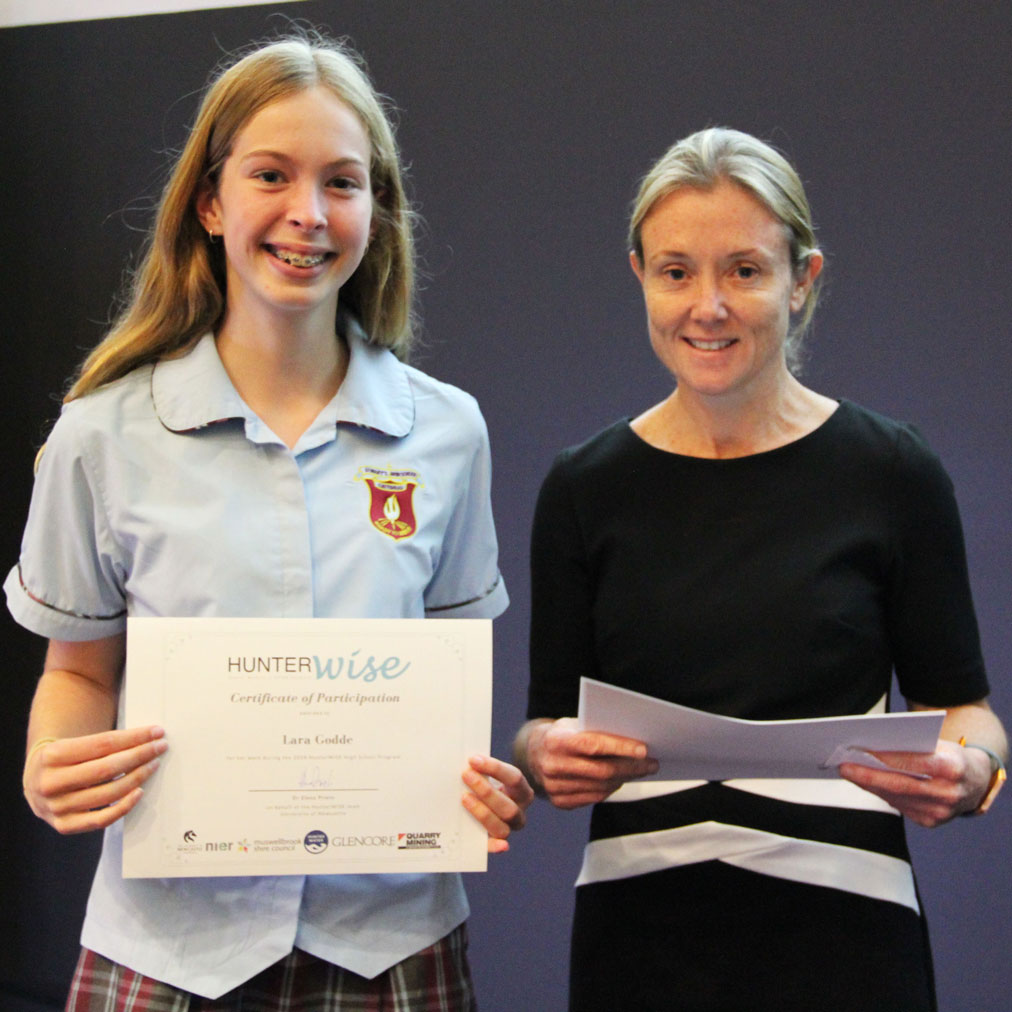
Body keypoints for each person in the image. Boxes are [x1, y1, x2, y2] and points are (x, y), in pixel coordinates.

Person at [7, 32, 533, 1012]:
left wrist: (479, 782)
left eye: (342, 182)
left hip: (392, 940)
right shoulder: (101, 433)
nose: (307, 213)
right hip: (166, 942)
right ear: (210, 201)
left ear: (377, 208)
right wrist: (51, 765)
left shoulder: (448, 432)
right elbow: (76, 675)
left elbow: (452, 687)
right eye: (270, 174)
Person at [513, 127, 1007, 1012]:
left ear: (803, 279)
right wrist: (543, 756)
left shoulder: (893, 470)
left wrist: (974, 774)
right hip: (639, 934)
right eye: (676, 272)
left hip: (850, 933)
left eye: (744, 270)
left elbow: (965, 710)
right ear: (641, 278)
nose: (708, 305)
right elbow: (543, 721)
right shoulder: (583, 487)